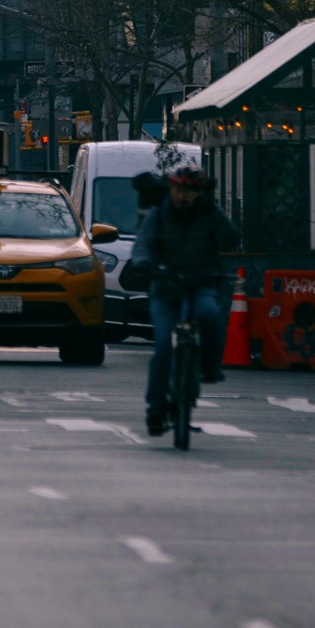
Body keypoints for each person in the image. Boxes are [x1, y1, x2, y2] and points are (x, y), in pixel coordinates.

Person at [134, 164, 237, 437]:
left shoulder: (208, 214)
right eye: (178, 189)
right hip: (166, 290)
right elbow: (142, 243)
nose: (183, 196)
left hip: (200, 284)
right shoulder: (158, 214)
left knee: (208, 314)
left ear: (199, 192)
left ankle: (208, 367)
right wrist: (143, 263)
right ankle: (155, 408)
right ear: (171, 189)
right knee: (163, 348)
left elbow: (230, 241)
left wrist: (213, 214)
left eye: (190, 191)